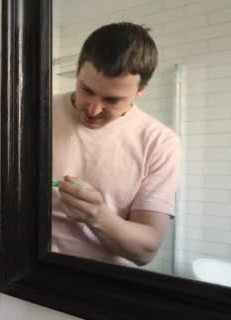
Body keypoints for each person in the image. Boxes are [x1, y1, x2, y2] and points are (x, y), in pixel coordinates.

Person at [51, 22, 180, 266]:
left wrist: (97, 215)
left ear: (141, 90)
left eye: (112, 100)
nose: (93, 109)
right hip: (28, 277)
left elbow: (146, 250)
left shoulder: (160, 143)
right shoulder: (39, 111)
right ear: (78, 73)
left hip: (104, 288)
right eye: (86, 90)